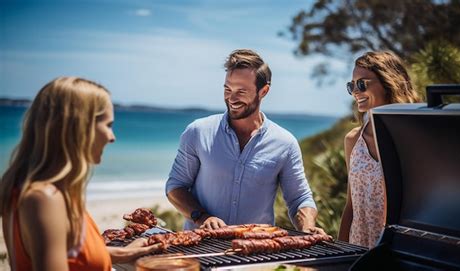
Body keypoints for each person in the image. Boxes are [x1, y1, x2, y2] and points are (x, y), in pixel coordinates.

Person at [0, 77, 161, 271]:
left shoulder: (43, 191)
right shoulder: (45, 199)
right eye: (108, 125)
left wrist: (124, 252)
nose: (112, 137)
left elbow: (69, 255)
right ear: (80, 127)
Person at [166, 49, 326, 235]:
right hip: (201, 247)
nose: (232, 99)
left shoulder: (285, 143)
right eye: (227, 89)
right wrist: (202, 217)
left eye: (241, 91)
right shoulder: (197, 132)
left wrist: (308, 228)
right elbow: (175, 187)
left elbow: (299, 199)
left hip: (257, 251)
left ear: (263, 91)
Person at [338, 51, 421, 248]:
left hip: (400, 252)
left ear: (388, 82)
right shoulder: (353, 140)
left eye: (362, 83)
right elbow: (351, 206)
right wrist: (340, 251)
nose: (356, 92)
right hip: (360, 251)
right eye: (352, 86)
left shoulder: (413, 138)